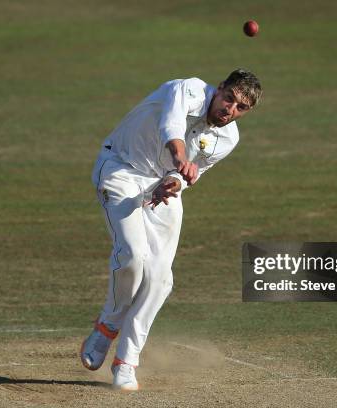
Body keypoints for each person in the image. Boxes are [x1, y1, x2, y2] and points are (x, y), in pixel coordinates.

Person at [80, 69, 262, 391]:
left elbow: (196, 172)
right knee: (134, 257)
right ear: (219, 89)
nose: (229, 109)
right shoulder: (188, 90)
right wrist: (179, 161)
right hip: (121, 169)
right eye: (228, 98)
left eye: (239, 108)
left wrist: (173, 182)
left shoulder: (228, 138)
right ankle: (108, 325)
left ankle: (126, 361)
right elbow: (172, 127)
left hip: (161, 185)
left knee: (161, 278)